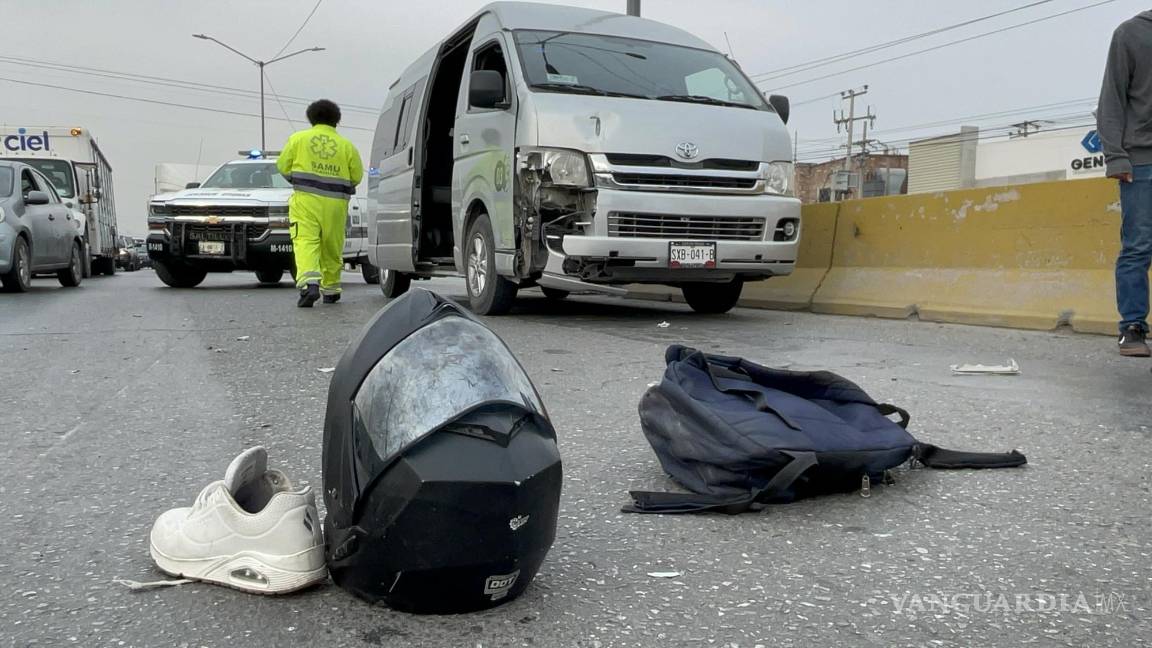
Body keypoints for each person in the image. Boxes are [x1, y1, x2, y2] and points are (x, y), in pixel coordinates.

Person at [1098, 11, 1152, 356]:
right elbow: (1111, 98)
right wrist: (1115, 155)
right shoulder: (1131, 33)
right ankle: (1132, 328)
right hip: (1143, 158)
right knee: (1138, 245)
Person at [277, 99, 364, 307]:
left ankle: (309, 285)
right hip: (336, 204)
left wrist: (297, 178)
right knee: (332, 244)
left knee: (306, 241)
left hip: (305, 201)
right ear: (337, 120)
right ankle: (332, 289)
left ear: (311, 118)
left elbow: (283, 166)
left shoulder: (298, 139)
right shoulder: (347, 146)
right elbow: (356, 177)